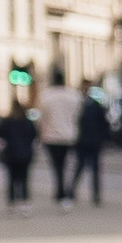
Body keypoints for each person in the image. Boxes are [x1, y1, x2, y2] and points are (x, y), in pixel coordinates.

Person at [37, 73, 80, 202]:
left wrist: (41, 132)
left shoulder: (46, 96)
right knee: (66, 163)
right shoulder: (74, 96)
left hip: (51, 136)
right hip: (69, 135)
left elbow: (41, 117)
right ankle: (65, 189)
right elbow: (77, 116)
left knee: (56, 165)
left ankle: (60, 190)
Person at [1, 96, 36, 205]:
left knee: (12, 177)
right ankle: (24, 199)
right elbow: (34, 135)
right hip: (25, 154)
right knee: (24, 177)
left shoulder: (7, 122)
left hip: (11, 154)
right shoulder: (27, 122)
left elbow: (1, 135)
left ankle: (12, 200)